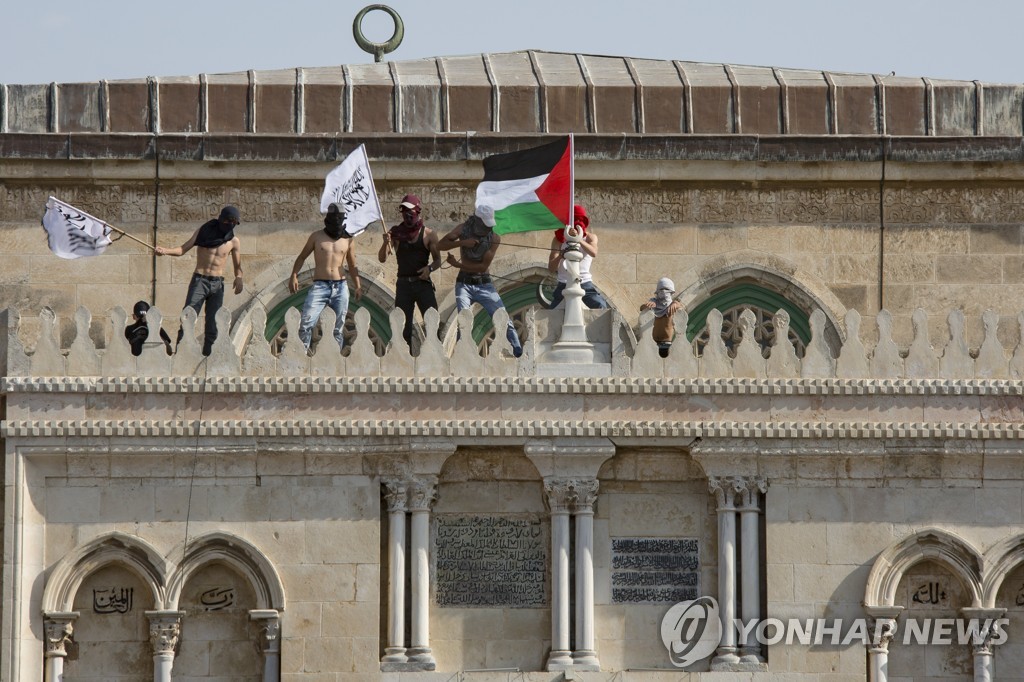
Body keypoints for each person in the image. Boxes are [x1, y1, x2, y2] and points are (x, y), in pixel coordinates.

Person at [155, 205, 244, 356]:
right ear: (222, 219)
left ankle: (209, 357)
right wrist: (165, 251)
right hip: (200, 280)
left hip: (217, 283)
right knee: (188, 317)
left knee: (213, 324)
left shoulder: (233, 241)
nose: (231, 225)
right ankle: (182, 354)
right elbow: (183, 249)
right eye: (229, 221)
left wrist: (239, 278)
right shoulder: (204, 232)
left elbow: (238, 266)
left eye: (234, 223)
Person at [439, 205, 523, 358]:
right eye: (485, 224)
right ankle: (461, 352)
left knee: (501, 315)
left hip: (484, 285)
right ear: (477, 220)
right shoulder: (463, 230)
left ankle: (517, 348)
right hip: (464, 284)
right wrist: (462, 243)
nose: (487, 228)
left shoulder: (494, 238)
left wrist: (457, 265)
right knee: (463, 319)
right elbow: (441, 245)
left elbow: (482, 266)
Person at [288, 203, 363, 352]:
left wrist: (358, 285)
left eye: (339, 218)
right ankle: (301, 355)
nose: (336, 221)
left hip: (340, 286)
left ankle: (335, 359)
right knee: (306, 323)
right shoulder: (317, 237)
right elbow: (302, 257)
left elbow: (352, 265)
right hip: (320, 285)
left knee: (338, 327)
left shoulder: (348, 239)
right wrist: (293, 276)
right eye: (334, 217)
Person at [377, 194, 442, 347]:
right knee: (402, 328)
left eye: (410, 210)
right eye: (404, 210)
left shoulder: (429, 234)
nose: (407, 214)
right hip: (404, 285)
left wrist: (429, 268)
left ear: (417, 211)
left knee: (433, 323)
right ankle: (405, 364)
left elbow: (438, 260)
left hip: (422, 284)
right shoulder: (396, 233)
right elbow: (382, 258)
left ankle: (435, 363)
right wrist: (385, 243)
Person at [546, 204, 608, 310]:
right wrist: (561, 255)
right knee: (552, 313)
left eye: (579, 220)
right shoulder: (558, 239)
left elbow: (594, 252)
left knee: (601, 307)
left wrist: (578, 239)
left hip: (584, 283)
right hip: (563, 284)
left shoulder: (590, 237)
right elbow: (551, 267)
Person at [640, 277, 682, 358]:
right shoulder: (653, 303)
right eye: (661, 289)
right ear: (657, 291)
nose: (663, 291)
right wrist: (646, 305)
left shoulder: (673, 306)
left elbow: (681, 307)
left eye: (666, 289)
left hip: (666, 344)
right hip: (652, 343)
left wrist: (676, 303)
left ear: (671, 291)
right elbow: (641, 308)